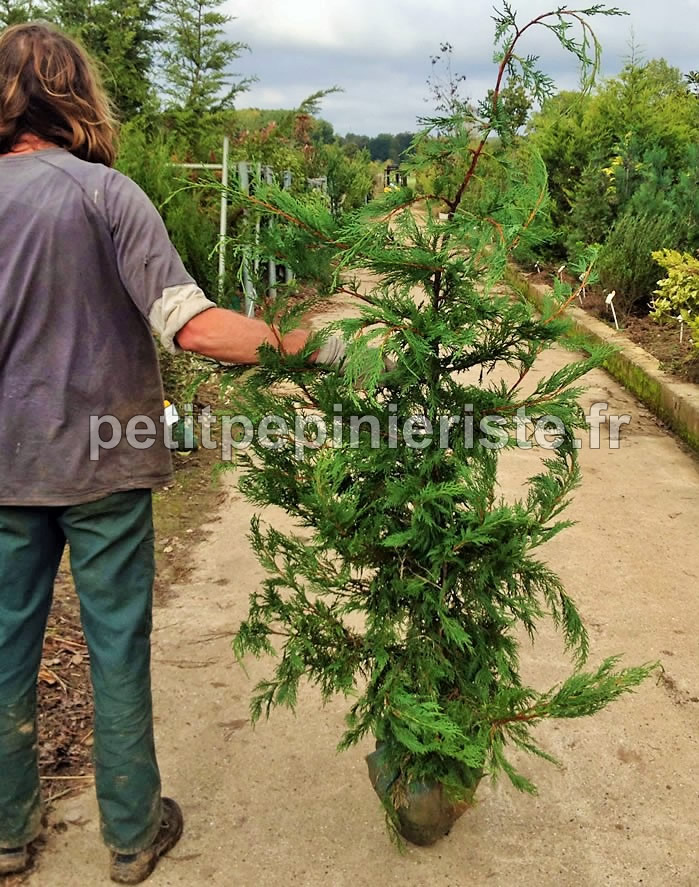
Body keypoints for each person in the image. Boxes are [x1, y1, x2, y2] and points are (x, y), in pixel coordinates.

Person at [0, 21, 344, 885]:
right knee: (115, 642)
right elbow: (192, 329)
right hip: (104, 466)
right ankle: (130, 832)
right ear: (75, 91)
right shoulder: (105, 197)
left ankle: (7, 829)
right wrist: (306, 346)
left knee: (3, 644)